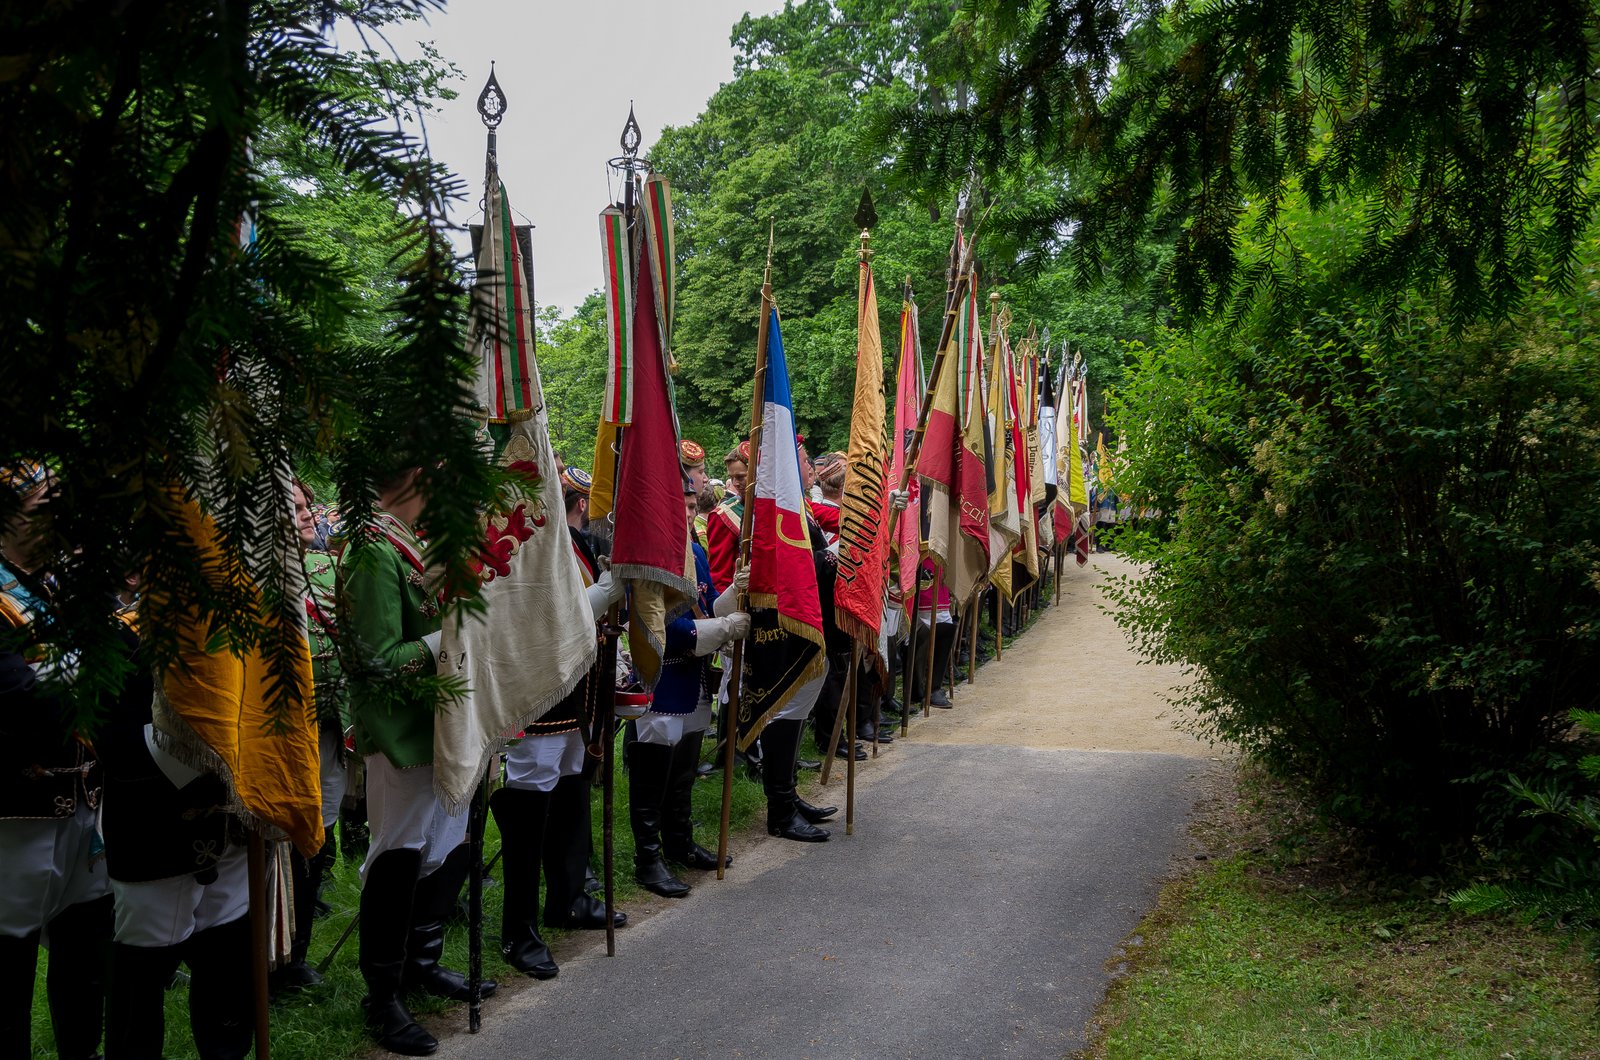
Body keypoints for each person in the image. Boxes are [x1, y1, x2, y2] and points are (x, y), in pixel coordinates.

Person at [341, 464, 495, 1057]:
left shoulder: (422, 543)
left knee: (446, 847)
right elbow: (378, 658)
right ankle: (382, 996)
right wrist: (448, 637)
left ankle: (419, 965)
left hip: (447, 722)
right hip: (403, 730)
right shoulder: (371, 550)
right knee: (398, 857)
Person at [488, 462, 626, 982]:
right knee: (529, 809)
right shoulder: (526, 543)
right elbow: (547, 616)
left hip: (579, 694)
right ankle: (517, 931)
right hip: (539, 695)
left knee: (570, 793)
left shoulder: (576, 543)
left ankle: (568, 897)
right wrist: (604, 595)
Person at [0, 463, 115, 1060]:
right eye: (43, 504)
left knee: (85, 950)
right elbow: (15, 693)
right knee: (8, 961)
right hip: (17, 809)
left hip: (84, 801)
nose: (57, 518)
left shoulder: (58, 584)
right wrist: (86, 672)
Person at [625, 481, 747, 898]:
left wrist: (734, 594)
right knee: (652, 780)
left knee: (683, 775)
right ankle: (648, 859)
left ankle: (679, 842)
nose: (691, 515)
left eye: (694, 506)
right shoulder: (646, 559)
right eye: (683, 508)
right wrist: (723, 629)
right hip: (660, 682)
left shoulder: (694, 551)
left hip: (694, 677)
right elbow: (659, 631)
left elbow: (708, 604)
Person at [270, 480, 344, 994]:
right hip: (276, 734)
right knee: (279, 844)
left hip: (329, 726)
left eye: (304, 507)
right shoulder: (253, 580)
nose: (304, 516)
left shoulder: (327, 571)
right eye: (291, 509)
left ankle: (297, 953)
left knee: (318, 836)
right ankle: (270, 959)